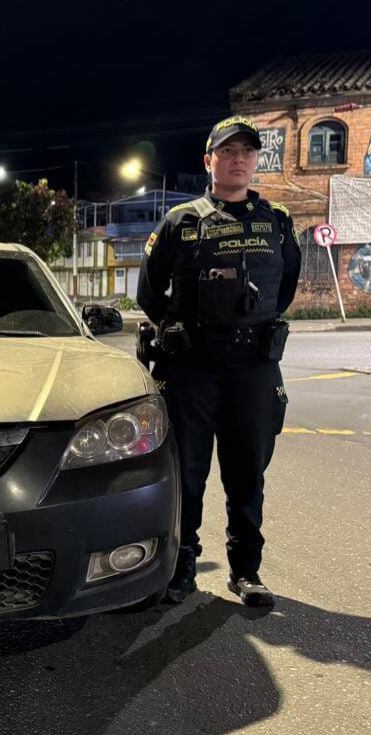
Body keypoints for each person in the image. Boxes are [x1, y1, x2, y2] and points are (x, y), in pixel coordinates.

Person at [137, 116, 302, 607]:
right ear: (208, 160)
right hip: (191, 369)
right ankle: (181, 567)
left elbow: (285, 289)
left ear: (256, 161)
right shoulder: (180, 221)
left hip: (253, 368)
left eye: (247, 152)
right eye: (227, 151)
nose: (238, 159)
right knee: (186, 475)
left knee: (247, 472)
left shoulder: (277, 222)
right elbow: (150, 293)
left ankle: (245, 570)